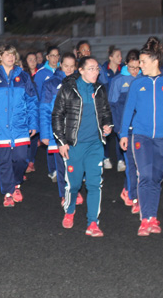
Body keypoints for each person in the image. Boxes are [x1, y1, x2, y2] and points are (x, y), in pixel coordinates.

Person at [119, 37, 163, 236]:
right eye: (139, 62)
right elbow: (128, 110)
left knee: (156, 179)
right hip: (140, 136)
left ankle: (153, 217)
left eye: (143, 62)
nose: (140, 65)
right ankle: (145, 218)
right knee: (145, 176)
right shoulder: (137, 83)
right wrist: (124, 133)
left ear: (154, 61)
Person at [52, 56, 113, 237]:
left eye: (97, 69)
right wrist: (61, 142)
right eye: (91, 69)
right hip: (75, 145)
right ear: (82, 70)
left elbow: (105, 113)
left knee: (95, 184)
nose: (96, 72)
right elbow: (56, 116)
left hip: (95, 145)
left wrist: (107, 125)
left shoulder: (100, 89)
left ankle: (93, 222)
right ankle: (69, 211)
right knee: (74, 184)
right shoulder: (68, 89)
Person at [0, 45, 38, 207]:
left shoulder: (23, 77)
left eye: (13, 54)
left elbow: (32, 100)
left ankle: (16, 183)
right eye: (7, 55)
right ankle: (8, 192)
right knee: (3, 161)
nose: (11, 57)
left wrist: (33, 122)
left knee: (20, 159)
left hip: (20, 125)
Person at [39, 52, 80, 207]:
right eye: (66, 66)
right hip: (57, 131)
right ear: (60, 65)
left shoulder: (80, 82)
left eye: (72, 66)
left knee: (75, 163)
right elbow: (44, 109)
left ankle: (74, 190)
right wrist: (44, 133)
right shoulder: (50, 84)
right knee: (62, 166)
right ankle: (64, 194)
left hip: (76, 130)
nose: (69, 69)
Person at [108, 49, 142, 214]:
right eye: (131, 67)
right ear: (126, 64)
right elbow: (112, 105)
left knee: (139, 165)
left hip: (142, 129)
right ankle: (134, 196)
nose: (135, 71)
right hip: (125, 129)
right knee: (131, 164)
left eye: (137, 67)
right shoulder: (118, 80)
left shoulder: (144, 79)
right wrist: (118, 127)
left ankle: (127, 189)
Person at [32, 46, 61, 179]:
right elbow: (37, 94)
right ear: (47, 57)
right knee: (50, 140)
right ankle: (53, 170)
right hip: (47, 111)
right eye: (52, 55)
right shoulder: (42, 73)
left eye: (57, 55)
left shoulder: (63, 70)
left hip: (61, 113)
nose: (55, 58)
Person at [98, 45, 124, 171]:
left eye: (121, 55)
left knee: (120, 132)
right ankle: (106, 157)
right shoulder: (103, 70)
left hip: (119, 107)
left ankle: (121, 159)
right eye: (118, 56)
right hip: (107, 107)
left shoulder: (123, 70)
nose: (120, 58)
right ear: (111, 57)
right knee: (106, 132)